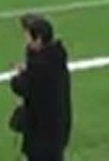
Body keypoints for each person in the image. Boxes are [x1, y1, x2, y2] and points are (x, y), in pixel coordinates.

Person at [10, 15, 72, 161]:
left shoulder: (40, 66)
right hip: (56, 129)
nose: (26, 41)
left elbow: (20, 86)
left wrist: (20, 75)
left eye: (28, 37)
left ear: (38, 39)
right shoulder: (55, 58)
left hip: (41, 133)